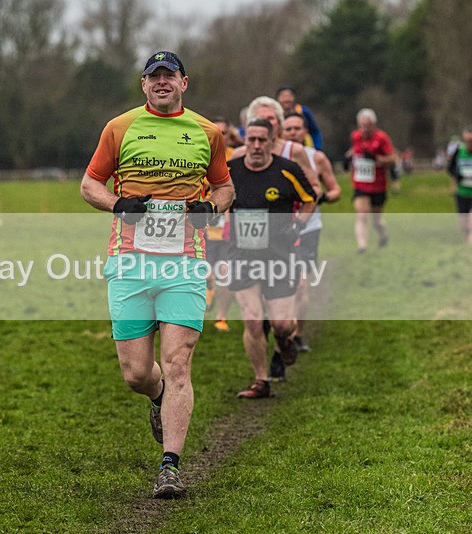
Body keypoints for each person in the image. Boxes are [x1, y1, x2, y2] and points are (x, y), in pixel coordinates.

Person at [80, 51, 234, 499]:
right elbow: (89, 185)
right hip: (130, 262)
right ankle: (158, 394)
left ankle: (170, 466)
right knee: (135, 374)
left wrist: (211, 208)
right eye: (155, 77)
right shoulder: (119, 127)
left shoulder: (207, 132)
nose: (162, 82)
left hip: (184, 262)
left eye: (170, 75)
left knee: (178, 362)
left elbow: (225, 187)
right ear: (144, 85)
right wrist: (117, 204)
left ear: (184, 82)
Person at [226, 118, 316, 399]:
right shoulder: (230, 170)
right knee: (253, 321)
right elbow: (212, 195)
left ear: (271, 140)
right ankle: (260, 381)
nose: (255, 146)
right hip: (241, 255)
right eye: (250, 140)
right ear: (245, 141)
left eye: (261, 140)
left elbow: (310, 199)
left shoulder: (287, 170)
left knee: (281, 324)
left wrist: (298, 225)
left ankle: (285, 340)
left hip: (279, 256)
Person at [281, 112, 341, 374]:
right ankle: (283, 329)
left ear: (305, 131)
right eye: (288, 129)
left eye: (297, 128)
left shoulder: (317, 158)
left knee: (301, 283)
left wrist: (322, 198)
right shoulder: (275, 157)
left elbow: (335, 189)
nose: (293, 133)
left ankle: (297, 333)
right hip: (279, 231)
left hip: (308, 228)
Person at [207, 117, 242, 331]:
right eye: (216, 133)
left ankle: (221, 317)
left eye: (224, 133)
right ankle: (208, 291)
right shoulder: (198, 156)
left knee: (225, 273)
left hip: (230, 227)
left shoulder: (236, 157)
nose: (220, 137)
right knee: (205, 272)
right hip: (204, 226)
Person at [350, 108, 397, 254]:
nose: (364, 129)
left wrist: (377, 159)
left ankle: (383, 235)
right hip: (360, 184)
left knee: (376, 220)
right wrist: (349, 158)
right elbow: (354, 152)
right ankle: (362, 246)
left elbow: (393, 158)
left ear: (374, 125)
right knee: (362, 214)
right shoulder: (356, 136)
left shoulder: (381, 138)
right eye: (362, 126)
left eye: (367, 126)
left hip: (378, 186)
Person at [275, 85, 323, 150]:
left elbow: (315, 131)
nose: (286, 99)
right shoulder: (274, 114)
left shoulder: (303, 111)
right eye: (283, 96)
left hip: (305, 147)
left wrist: (317, 148)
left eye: (289, 96)